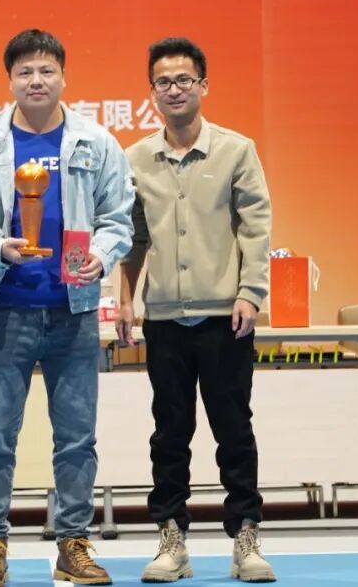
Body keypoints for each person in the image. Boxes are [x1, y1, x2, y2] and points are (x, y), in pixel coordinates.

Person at [0, 28, 134, 587]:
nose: (36, 80)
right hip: (4, 311)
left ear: (64, 77)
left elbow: (119, 215)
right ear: (10, 80)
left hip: (73, 311)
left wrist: (101, 254)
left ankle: (73, 544)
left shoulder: (95, 141)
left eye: (46, 70)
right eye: (25, 72)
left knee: (77, 439)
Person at [117, 37, 275, 583]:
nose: (174, 89)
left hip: (225, 317)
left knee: (234, 431)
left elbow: (256, 226)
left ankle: (246, 538)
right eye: (163, 82)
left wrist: (251, 292)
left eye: (184, 79)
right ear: (151, 93)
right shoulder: (135, 159)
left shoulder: (236, 150)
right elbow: (132, 238)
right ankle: (172, 540)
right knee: (169, 433)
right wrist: (124, 298)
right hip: (164, 319)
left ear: (203, 86)